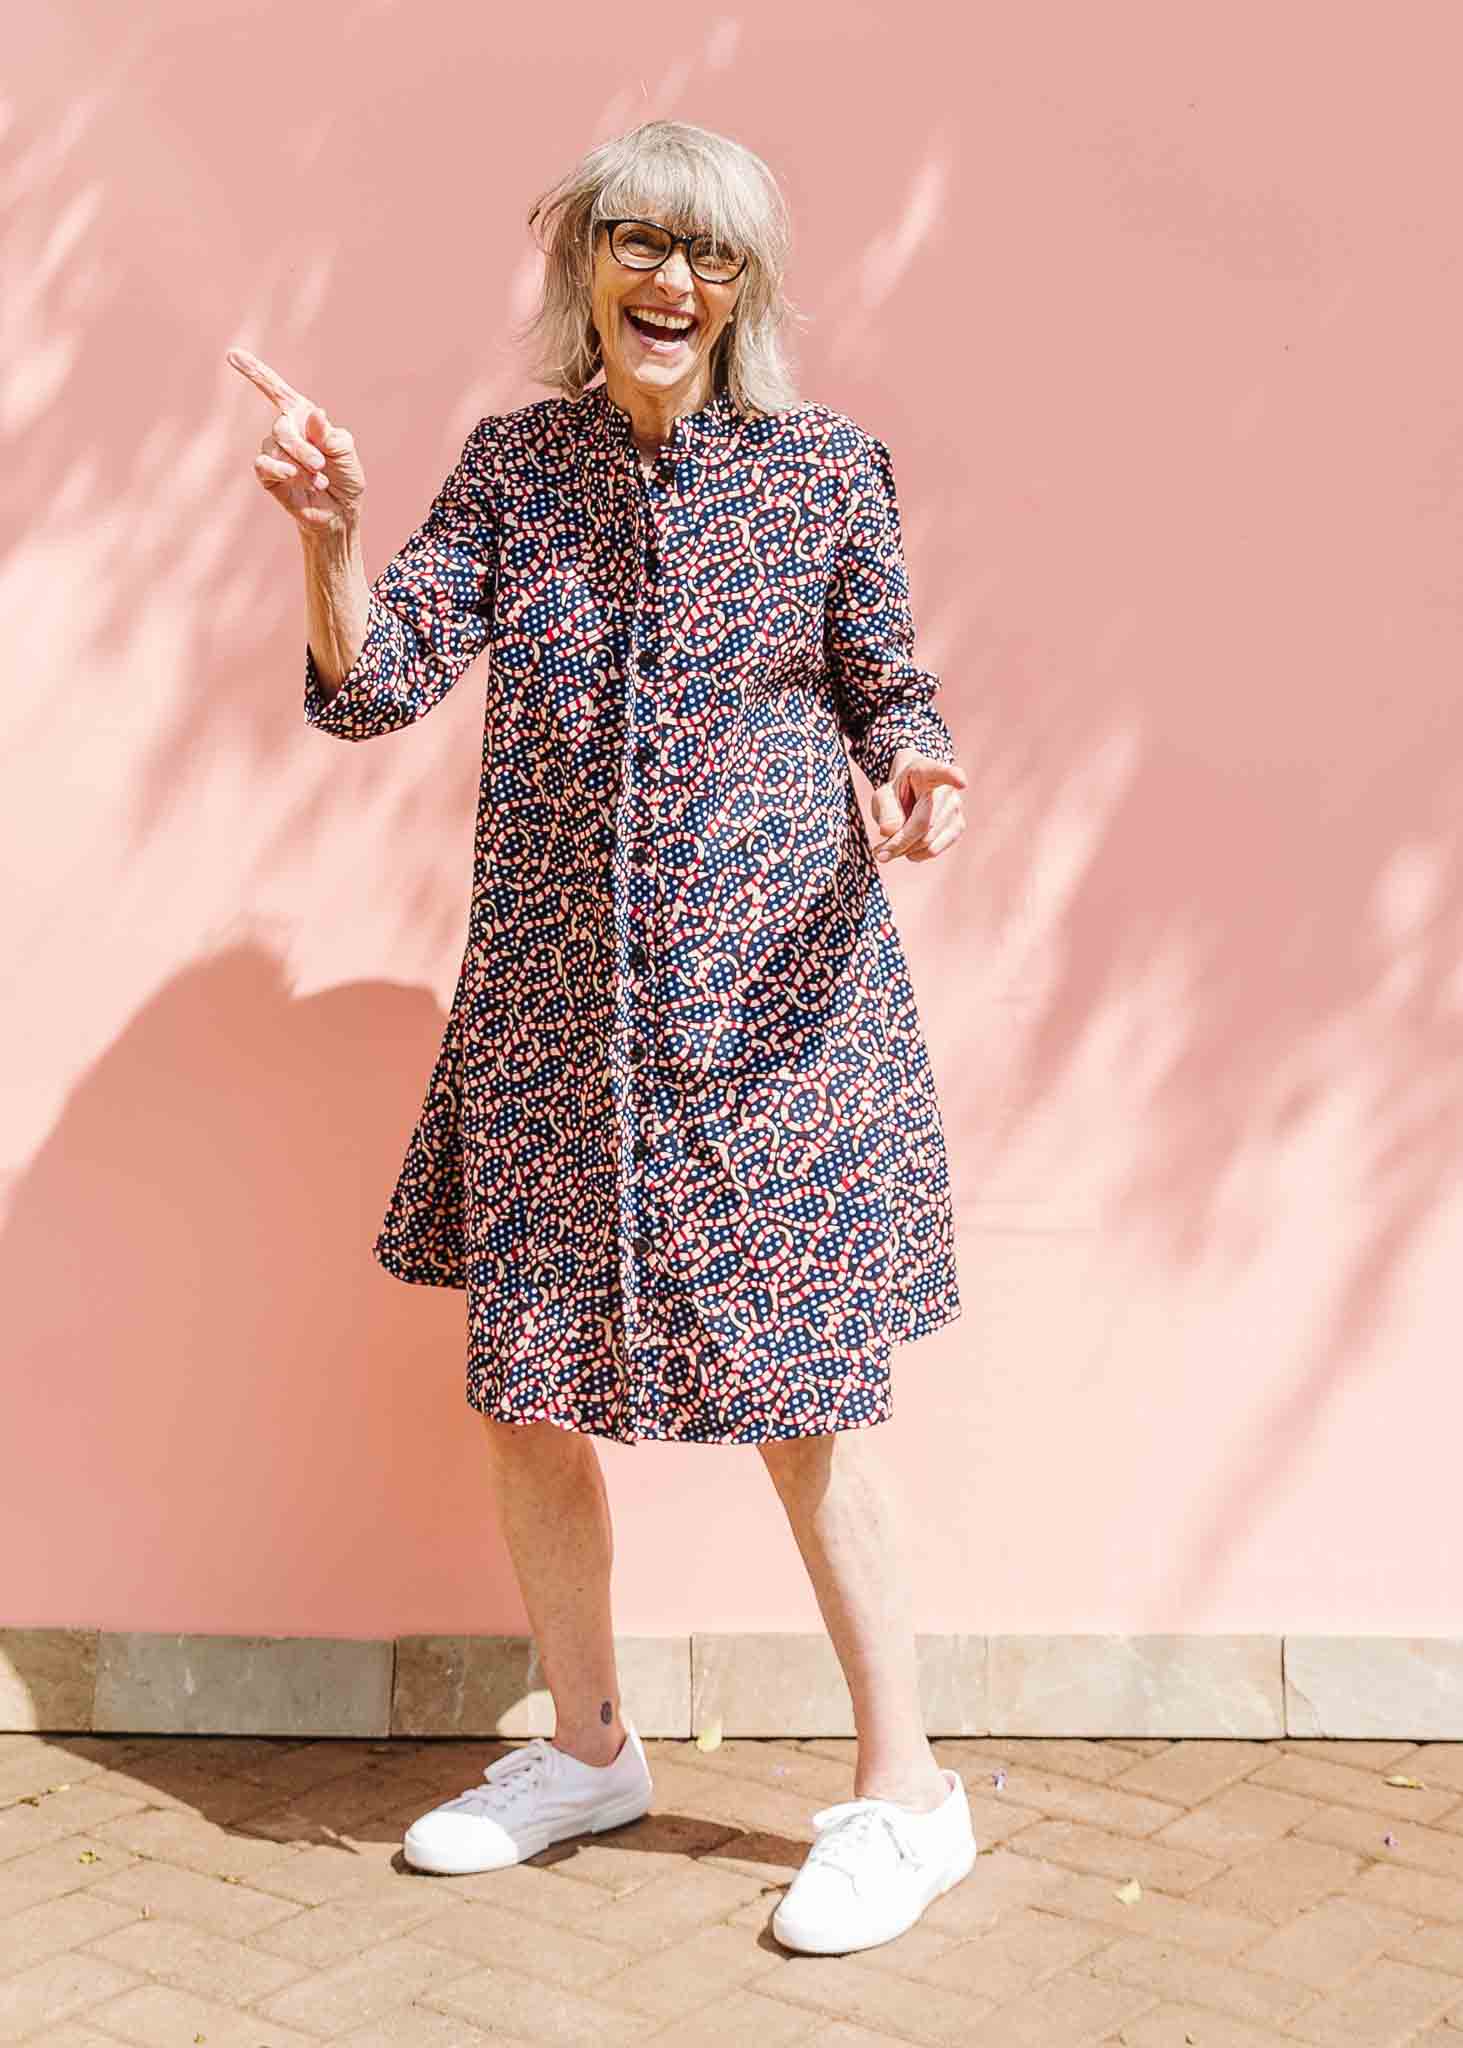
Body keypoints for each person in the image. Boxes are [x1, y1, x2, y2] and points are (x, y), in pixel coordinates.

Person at [227, 117, 974, 1956]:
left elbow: (897, 692)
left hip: (776, 1024)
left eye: (710, 254)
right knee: (526, 1396)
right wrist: (329, 543)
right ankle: (584, 1750)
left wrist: (925, 776)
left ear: (747, 290)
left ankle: (911, 1796)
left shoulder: (822, 475)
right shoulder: (511, 472)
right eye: (639, 242)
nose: (672, 279)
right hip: (558, 1028)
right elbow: (373, 684)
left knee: (807, 1406)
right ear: (587, 271)